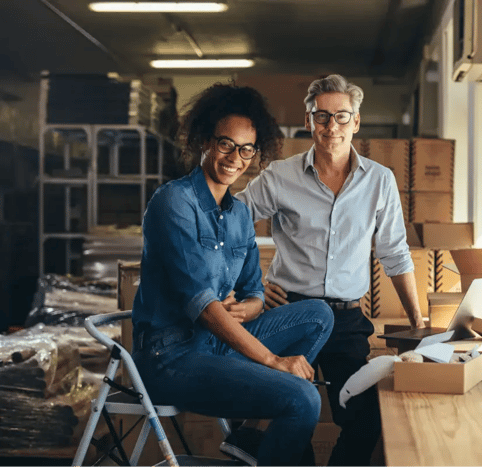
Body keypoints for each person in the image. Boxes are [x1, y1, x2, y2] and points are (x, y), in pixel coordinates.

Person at [130, 82, 334, 467]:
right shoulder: (173, 202)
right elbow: (203, 305)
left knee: (318, 314)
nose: (235, 158)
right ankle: (262, 437)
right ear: (205, 140)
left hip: (216, 343)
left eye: (246, 149)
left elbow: (254, 290)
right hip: (170, 356)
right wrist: (274, 362)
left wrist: (249, 307)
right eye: (225, 144)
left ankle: (252, 435)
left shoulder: (239, 213)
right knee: (302, 398)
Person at [235, 74, 425, 466]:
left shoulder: (380, 181)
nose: (331, 127)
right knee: (290, 415)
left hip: (345, 318)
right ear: (308, 121)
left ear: (356, 122)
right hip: (288, 313)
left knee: (365, 416)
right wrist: (250, 285)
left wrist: (419, 324)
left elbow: (395, 253)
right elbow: (228, 225)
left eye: (341, 117)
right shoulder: (280, 176)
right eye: (322, 117)